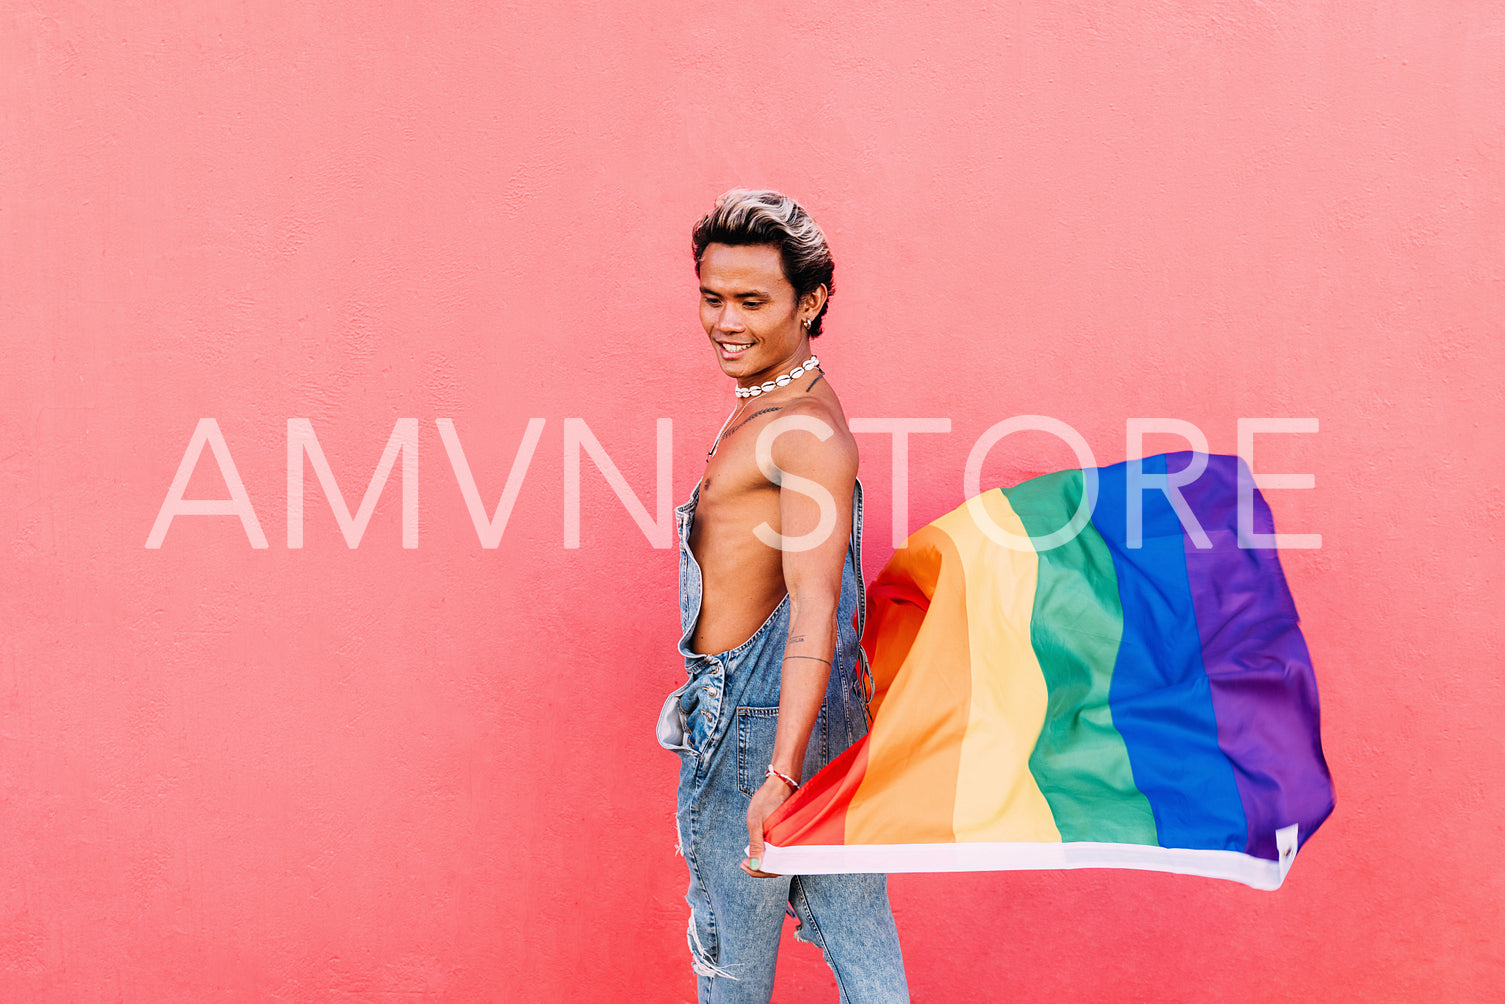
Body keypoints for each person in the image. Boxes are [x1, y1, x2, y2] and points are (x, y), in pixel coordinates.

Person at [657, 190, 910, 1003]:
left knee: (732, 981)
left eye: (751, 302)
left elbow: (814, 607)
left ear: (811, 301)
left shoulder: (799, 430)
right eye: (711, 297)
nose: (725, 322)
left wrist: (780, 771)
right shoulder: (774, 406)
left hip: (758, 734)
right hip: (805, 717)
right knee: (868, 971)